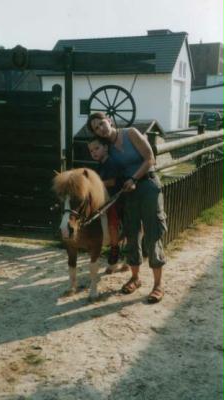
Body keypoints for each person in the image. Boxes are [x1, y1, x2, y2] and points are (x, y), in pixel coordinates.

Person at [87, 112, 167, 303]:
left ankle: (158, 285)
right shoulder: (106, 148)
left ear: (109, 120)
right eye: (96, 128)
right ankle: (135, 278)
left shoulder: (130, 133)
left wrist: (133, 178)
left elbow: (150, 158)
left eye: (101, 124)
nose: (100, 129)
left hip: (147, 186)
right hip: (128, 192)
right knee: (131, 234)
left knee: (152, 232)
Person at [87, 136, 123, 272]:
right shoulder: (99, 164)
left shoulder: (111, 162)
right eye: (91, 151)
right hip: (103, 197)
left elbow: (113, 181)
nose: (94, 152)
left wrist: (95, 184)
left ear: (106, 148)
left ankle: (114, 247)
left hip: (115, 197)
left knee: (112, 220)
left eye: (96, 148)